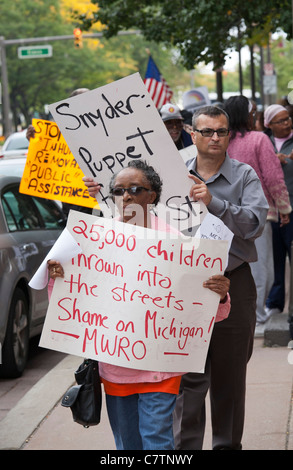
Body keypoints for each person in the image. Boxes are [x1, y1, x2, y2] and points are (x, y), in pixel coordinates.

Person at [49, 160, 231, 450]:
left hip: (162, 368)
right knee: (127, 444)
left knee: (157, 440)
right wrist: (59, 280)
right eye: (119, 191)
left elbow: (211, 312)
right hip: (116, 366)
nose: (127, 197)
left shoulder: (178, 244)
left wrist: (220, 294)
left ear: (153, 195)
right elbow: (73, 305)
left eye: (135, 189)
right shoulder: (95, 241)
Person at [173, 105, 268, 450]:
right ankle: (185, 450)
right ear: (192, 134)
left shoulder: (244, 176)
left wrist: (215, 202)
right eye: (208, 131)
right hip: (182, 288)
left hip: (234, 283)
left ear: (230, 134)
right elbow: (139, 215)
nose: (215, 138)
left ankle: (227, 446)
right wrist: (100, 194)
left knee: (229, 378)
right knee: (188, 378)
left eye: (222, 131)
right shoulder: (172, 175)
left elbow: (255, 225)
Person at [223, 96, 291, 333]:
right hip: (256, 215)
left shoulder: (220, 141)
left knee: (231, 267)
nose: (256, 118)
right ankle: (258, 318)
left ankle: (236, 313)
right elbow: (273, 177)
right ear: (246, 115)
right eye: (253, 113)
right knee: (260, 268)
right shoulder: (259, 139)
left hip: (222, 216)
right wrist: (284, 209)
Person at [263, 104, 293, 318]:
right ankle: (275, 302)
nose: (287, 123)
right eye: (281, 121)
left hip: (292, 206)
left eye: (288, 119)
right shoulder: (264, 143)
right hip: (271, 209)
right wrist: (274, 159)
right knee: (276, 257)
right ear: (269, 125)